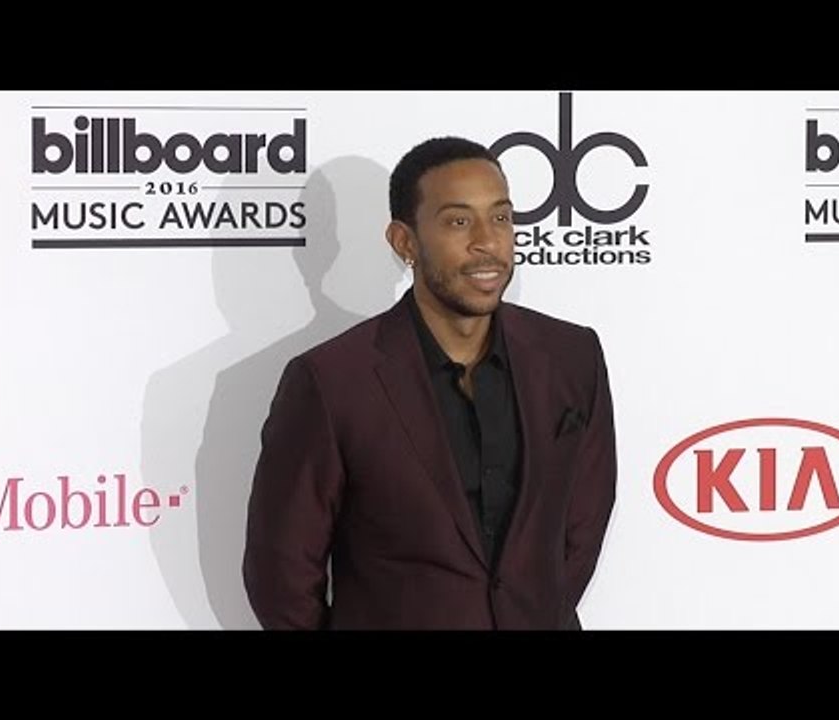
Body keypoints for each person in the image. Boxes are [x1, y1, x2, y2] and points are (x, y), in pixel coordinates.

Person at [243, 136, 617, 630]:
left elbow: (581, 530)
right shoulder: (331, 382)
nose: (487, 240)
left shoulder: (572, 358)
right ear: (405, 242)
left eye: (501, 217)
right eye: (459, 221)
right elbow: (282, 576)